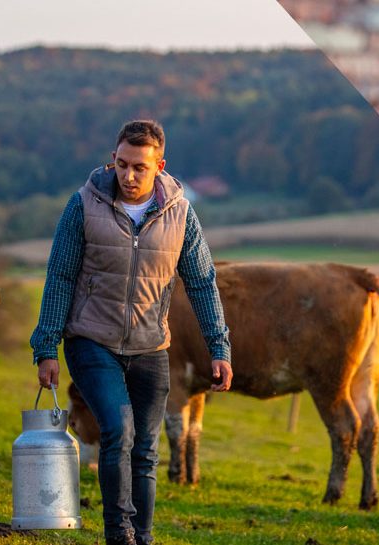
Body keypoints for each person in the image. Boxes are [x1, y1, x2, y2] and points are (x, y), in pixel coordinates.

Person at [30, 120, 235, 545]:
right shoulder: (83, 205)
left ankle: (143, 537)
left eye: (139, 167)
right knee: (118, 430)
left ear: (159, 165)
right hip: (91, 340)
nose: (128, 175)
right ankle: (118, 533)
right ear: (113, 160)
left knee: (145, 449)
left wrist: (220, 347)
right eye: (121, 164)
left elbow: (201, 282)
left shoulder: (181, 214)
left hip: (149, 346)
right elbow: (60, 276)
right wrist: (46, 345)